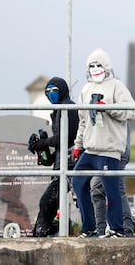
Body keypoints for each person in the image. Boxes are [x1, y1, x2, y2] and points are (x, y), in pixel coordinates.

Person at [72, 48, 135, 238]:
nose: (95, 69)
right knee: (78, 182)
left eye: (98, 65)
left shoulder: (117, 86)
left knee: (111, 189)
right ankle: (89, 227)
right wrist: (78, 146)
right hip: (90, 149)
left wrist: (108, 108)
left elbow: (131, 112)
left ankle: (117, 228)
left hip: (109, 150)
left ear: (106, 66)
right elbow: (83, 121)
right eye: (91, 66)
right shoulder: (86, 90)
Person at [31, 76, 79, 237]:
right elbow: (58, 147)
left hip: (72, 163)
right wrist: (42, 149)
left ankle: (39, 234)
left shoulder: (69, 108)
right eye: (48, 91)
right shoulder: (58, 110)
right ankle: (39, 233)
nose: (51, 94)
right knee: (49, 202)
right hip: (62, 164)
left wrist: (45, 142)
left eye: (55, 90)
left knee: (49, 201)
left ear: (63, 91)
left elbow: (66, 138)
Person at [90, 123, 135, 237]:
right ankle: (101, 231)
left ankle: (126, 231)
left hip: (115, 151)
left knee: (117, 191)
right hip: (109, 150)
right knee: (97, 191)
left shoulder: (114, 106)